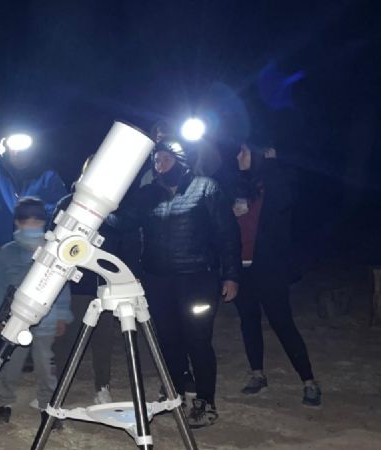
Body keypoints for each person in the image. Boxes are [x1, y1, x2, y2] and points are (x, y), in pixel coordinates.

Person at [108, 140, 241, 428]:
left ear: (181, 161)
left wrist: (231, 275)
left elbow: (227, 233)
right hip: (159, 281)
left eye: (165, 159)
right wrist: (95, 206)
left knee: (198, 340)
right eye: (156, 160)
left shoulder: (206, 188)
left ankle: (205, 401)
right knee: (168, 340)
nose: (159, 165)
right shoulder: (147, 195)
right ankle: (175, 393)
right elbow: (123, 223)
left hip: (198, 279)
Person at [231, 143, 320, 406]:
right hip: (243, 267)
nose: (238, 156)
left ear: (257, 157)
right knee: (248, 321)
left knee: (282, 323)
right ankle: (257, 375)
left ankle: (309, 381)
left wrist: (270, 165)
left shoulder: (275, 186)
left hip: (269, 269)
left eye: (244, 152)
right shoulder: (239, 186)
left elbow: (285, 202)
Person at [51, 155, 142, 405]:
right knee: (65, 340)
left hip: (104, 284)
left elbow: (129, 240)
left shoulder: (116, 207)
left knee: (102, 340)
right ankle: (58, 388)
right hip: (71, 285)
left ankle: (102, 387)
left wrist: (129, 272)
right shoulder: (67, 203)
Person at [0, 136, 67, 359]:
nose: (18, 153)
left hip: (36, 247)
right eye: (13, 149)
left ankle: (28, 353)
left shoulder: (47, 173)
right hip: (2, 244)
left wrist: (32, 211)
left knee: (34, 296)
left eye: (23, 149)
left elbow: (62, 205)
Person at [0, 197, 73, 424]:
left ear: (44, 223)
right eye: (27, 221)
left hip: (47, 317)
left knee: (46, 364)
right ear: (17, 223)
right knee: (11, 363)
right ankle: (5, 403)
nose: (32, 226)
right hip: (15, 317)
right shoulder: (7, 252)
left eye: (37, 221)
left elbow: (62, 285)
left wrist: (63, 315)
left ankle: (48, 406)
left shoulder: (54, 251)